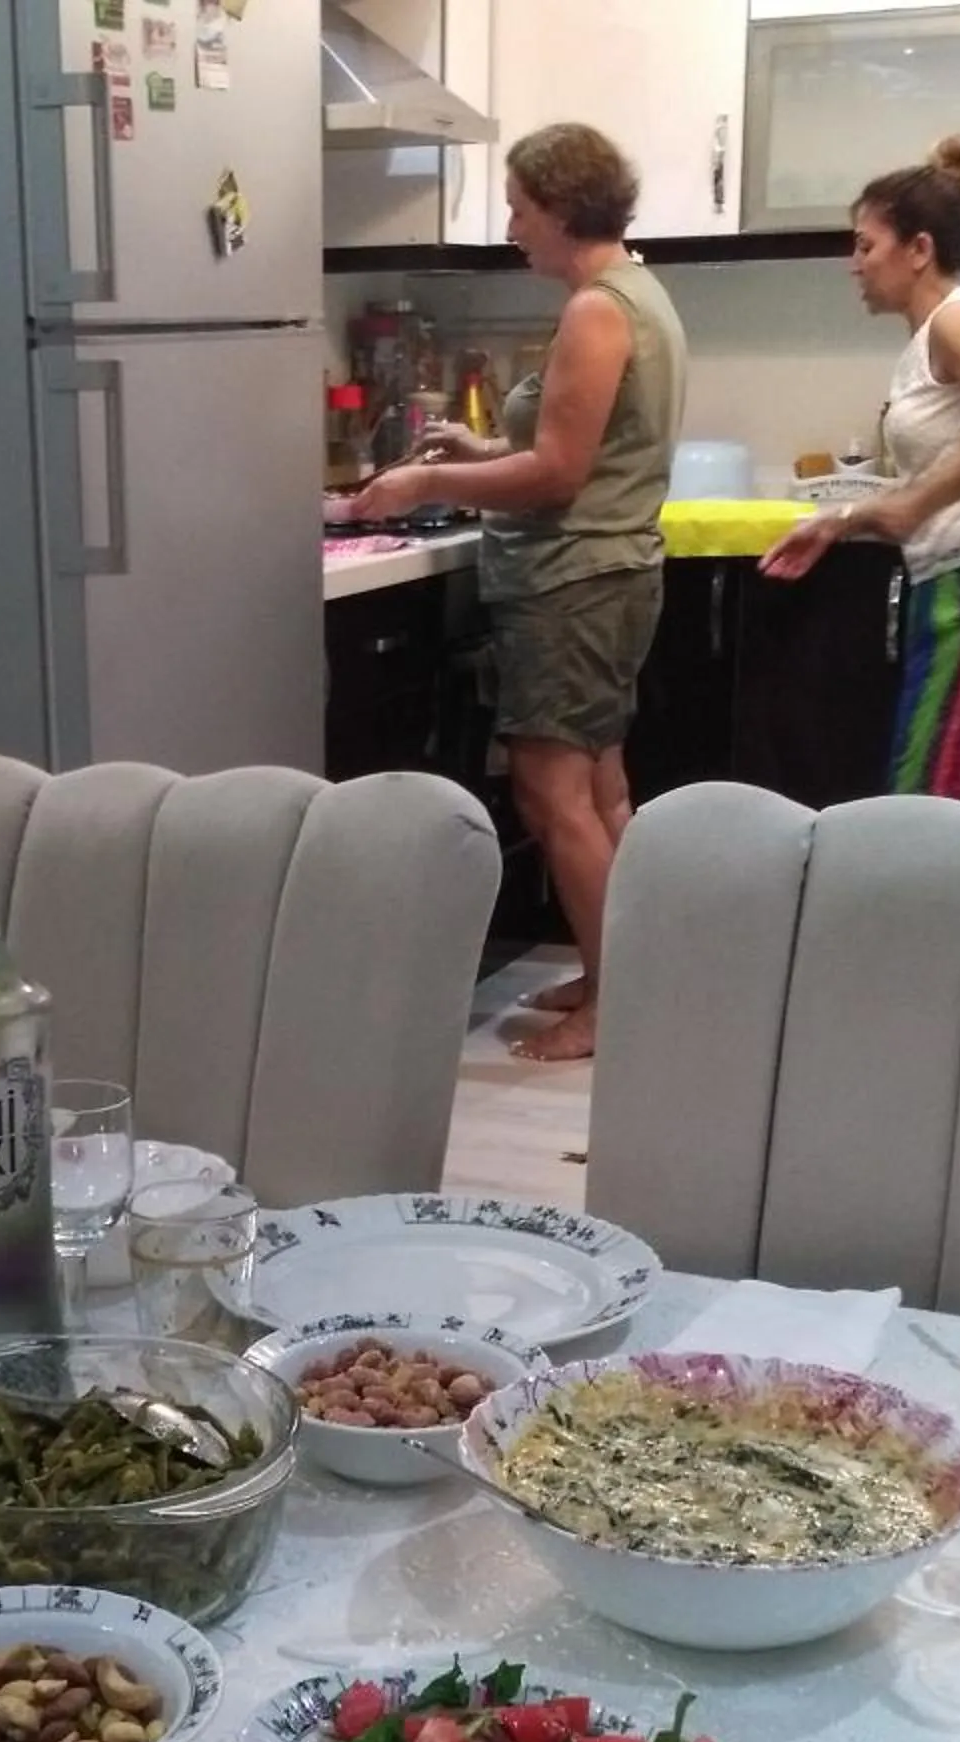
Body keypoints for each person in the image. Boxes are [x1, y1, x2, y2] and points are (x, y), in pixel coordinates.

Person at [334, 121, 687, 1063]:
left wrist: (427, 483)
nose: (510, 223)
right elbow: (577, 450)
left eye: (521, 206)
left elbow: (561, 476)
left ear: (563, 209)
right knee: (603, 790)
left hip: (573, 580)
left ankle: (616, 1008)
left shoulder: (597, 311)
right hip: (609, 574)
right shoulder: (636, 295)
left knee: (552, 794)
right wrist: (482, 450)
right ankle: (629, 979)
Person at [760, 135, 960, 809]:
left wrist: (916, 503)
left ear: (919, 249)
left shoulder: (958, 322)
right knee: (956, 793)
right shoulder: (937, 333)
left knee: (929, 805)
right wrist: (843, 521)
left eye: (866, 246)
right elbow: (945, 466)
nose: (854, 265)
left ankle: (922, 917)